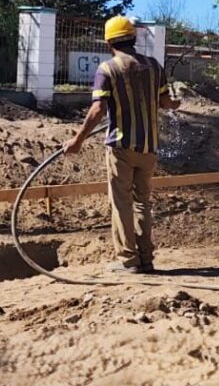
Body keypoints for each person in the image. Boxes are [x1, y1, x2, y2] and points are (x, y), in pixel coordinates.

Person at [65, 16, 180, 274]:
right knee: (142, 202)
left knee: (121, 203)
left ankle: (128, 260)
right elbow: (165, 103)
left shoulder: (107, 70)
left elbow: (97, 109)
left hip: (121, 148)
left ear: (109, 42)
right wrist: (175, 104)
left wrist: (77, 140)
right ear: (134, 38)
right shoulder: (154, 66)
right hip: (149, 148)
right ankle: (146, 258)